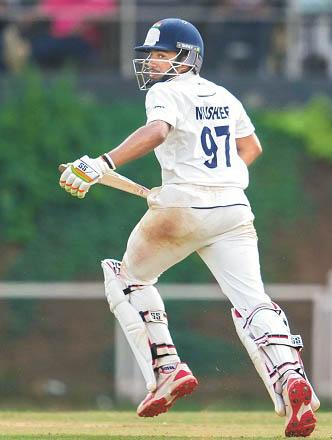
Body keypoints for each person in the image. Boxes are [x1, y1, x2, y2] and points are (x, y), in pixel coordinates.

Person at [58, 18, 318, 437]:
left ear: (187, 57)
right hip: (233, 206)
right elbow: (251, 148)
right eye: (152, 56)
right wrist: (215, 182)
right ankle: (291, 378)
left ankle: (167, 369)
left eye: (163, 55)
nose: (154, 64)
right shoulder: (224, 95)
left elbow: (158, 131)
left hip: (184, 205)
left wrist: (102, 163)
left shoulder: (165, 92)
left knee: (126, 278)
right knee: (253, 303)